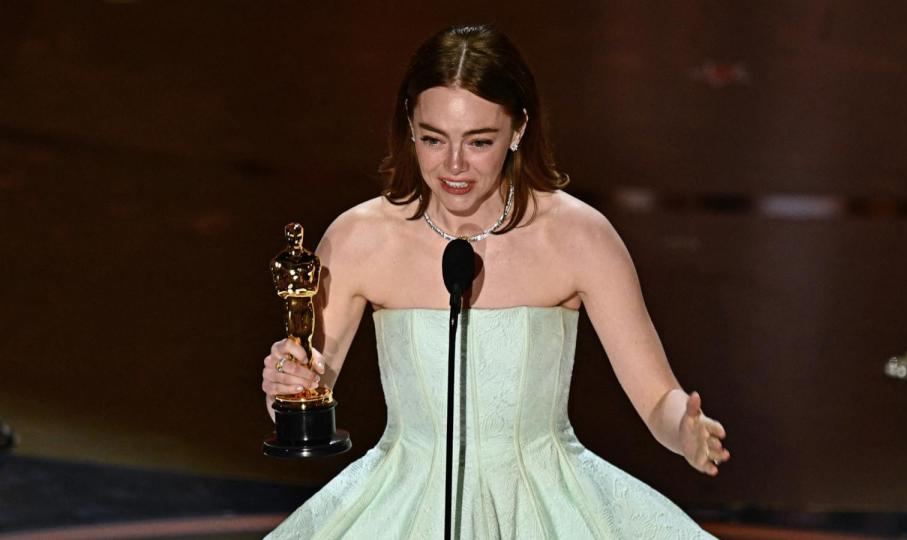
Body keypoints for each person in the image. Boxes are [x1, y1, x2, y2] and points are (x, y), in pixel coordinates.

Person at [262, 24, 729, 539]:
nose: (454, 166)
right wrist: (287, 386)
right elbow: (310, 387)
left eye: (479, 141)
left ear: (519, 129)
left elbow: (658, 400)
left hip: (549, 506)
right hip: (401, 505)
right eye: (433, 139)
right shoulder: (360, 239)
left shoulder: (578, 237)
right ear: (409, 125)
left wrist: (685, 431)